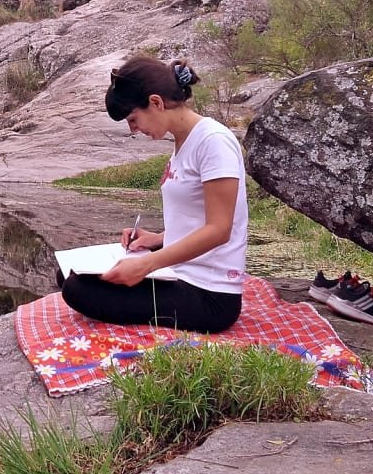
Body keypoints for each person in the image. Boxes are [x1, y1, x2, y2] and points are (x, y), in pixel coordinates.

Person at [60, 56, 248, 333]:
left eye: (133, 119)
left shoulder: (213, 141)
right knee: (68, 274)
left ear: (156, 102)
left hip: (211, 294)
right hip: (181, 273)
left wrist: (147, 265)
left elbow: (219, 230)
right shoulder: (184, 143)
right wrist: (158, 239)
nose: (134, 129)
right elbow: (195, 218)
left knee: (77, 289)